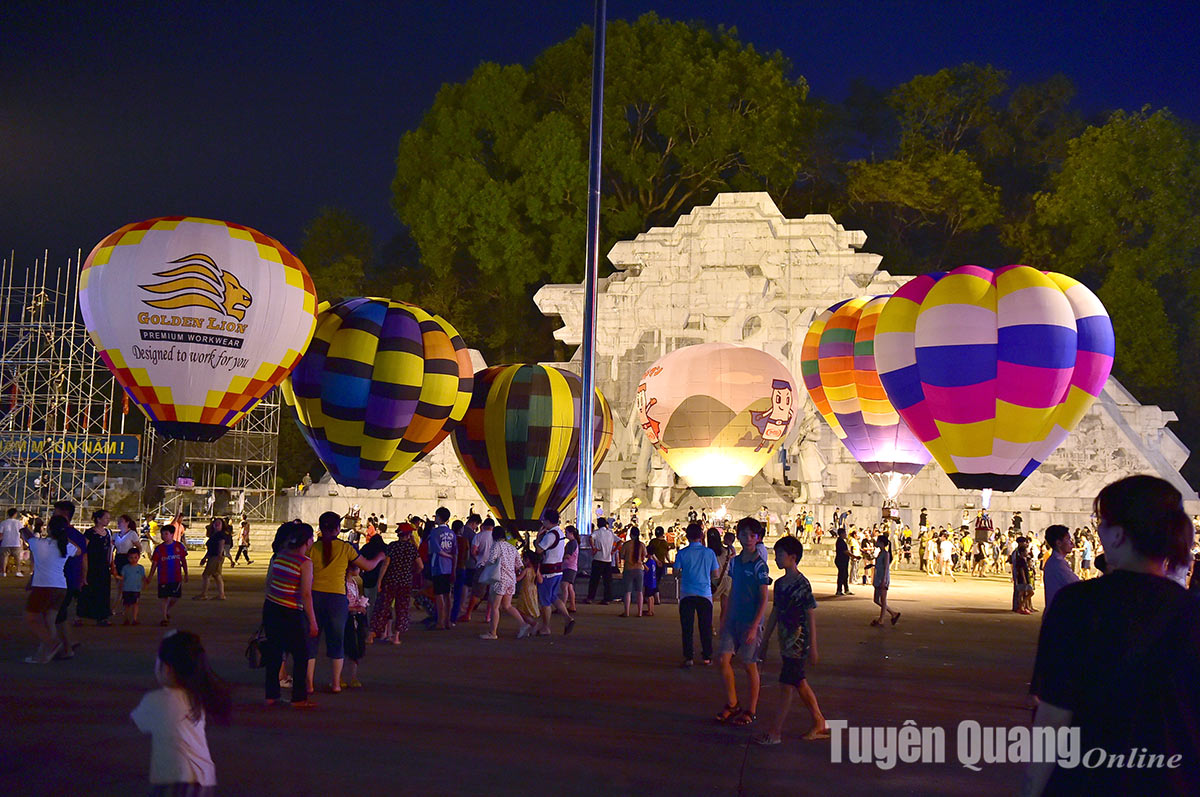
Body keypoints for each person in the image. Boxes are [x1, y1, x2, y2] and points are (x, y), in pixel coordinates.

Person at [1023, 476, 1200, 795]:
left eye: (1101, 522)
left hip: (1088, 777)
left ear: (1118, 534)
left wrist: (1033, 788)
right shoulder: (1191, 611)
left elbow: (1053, 716)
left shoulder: (1077, 604)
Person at [131, 630, 230, 795]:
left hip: (175, 779)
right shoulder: (195, 696)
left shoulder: (156, 700)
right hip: (204, 777)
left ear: (167, 669)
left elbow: (139, 722)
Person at [753, 535, 828, 745]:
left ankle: (776, 732)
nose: (776, 558)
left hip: (798, 642)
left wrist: (813, 646)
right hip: (785, 641)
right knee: (799, 682)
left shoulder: (801, 584)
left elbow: (810, 614)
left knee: (787, 685)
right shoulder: (780, 584)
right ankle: (819, 721)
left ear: (792, 557)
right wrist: (765, 640)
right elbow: (776, 612)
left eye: (780, 555)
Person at [307, 511, 386, 694]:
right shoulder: (345, 548)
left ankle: (308, 684)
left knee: (312, 642)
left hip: (315, 596)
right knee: (337, 642)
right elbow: (368, 565)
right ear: (337, 528)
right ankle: (335, 683)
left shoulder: (313, 548)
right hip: (336, 599)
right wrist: (380, 557)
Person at [715, 517, 771, 728]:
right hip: (733, 619)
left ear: (758, 538)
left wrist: (755, 625)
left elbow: (764, 597)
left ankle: (751, 710)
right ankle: (733, 703)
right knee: (723, 659)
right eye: (744, 534)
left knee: (749, 666)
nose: (747, 539)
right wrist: (724, 618)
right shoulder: (735, 563)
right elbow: (730, 590)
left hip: (750, 622)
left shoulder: (760, 566)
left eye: (752, 535)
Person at [262, 521, 317, 707]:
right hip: (290, 611)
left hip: (271, 607)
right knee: (301, 655)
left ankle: (271, 695)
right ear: (308, 541)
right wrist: (313, 621)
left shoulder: (280, 555)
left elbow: (269, 582)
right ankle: (299, 698)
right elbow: (306, 594)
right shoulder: (305, 563)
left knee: (274, 653)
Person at [21, 515, 82, 663]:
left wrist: (26, 525)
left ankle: (52, 643)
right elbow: (79, 551)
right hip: (61, 587)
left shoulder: (38, 543)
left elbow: (24, 532)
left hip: (43, 586)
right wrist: (65, 537)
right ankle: (45, 654)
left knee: (31, 619)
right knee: (50, 619)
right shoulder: (66, 546)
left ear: (48, 529)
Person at [674, 522, 720, 667]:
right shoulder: (709, 553)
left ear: (687, 536)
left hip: (687, 593)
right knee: (705, 626)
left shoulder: (682, 553)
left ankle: (688, 657)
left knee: (687, 627)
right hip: (704, 594)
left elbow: (675, 572)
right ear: (701, 536)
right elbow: (715, 573)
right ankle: (707, 656)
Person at [371, 522, 421, 645]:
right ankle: (396, 636)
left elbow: (385, 564)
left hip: (390, 580)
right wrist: (412, 572)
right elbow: (421, 565)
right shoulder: (411, 548)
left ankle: (374, 634)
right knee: (402, 609)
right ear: (409, 535)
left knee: (383, 607)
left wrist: (379, 580)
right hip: (405, 582)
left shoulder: (392, 546)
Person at [533, 508, 575, 635]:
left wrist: (538, 537)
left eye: (544, 520)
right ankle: (568, 618)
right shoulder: (560, 533)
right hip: (558, 571)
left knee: (545, 600)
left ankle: (546, 627)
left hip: (548, 572)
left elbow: (539, 550)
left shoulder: (550, 535)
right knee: (553, 597)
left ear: (548, 521)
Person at [480, 525, 527, 639]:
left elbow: (491, 561)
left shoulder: (496, 546)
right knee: (507, 606)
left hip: (499, 579)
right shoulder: (512, 548)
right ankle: (523, 624)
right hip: (511, 580)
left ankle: (493, 632)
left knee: (495, 607)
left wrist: (483, 565)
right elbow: (519, 565)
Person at [52, 501, 86, 652]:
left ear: (63, 515)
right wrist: (83, 578)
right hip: (71, 580)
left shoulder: (59, 535)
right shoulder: (78, 536)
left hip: (59, 581)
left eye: (55, 513)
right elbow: (84, 558)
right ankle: (68, 642)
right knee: (62, 614)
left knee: (53, 615)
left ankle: (61, 646)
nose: (52, 516)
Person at [78, 509, 115, 626]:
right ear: (98, 519)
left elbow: (110, 550)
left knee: (103, 591)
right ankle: (80, 616)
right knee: (88, 590)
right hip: (92, 566)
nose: (108, 520)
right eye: (106, 518)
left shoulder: (108, 533)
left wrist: (112, 564)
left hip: (104, 566)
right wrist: (84, 569)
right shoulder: (90, 533)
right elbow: (84, 551)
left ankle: (102, 616)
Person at [146, 525, 189, 626]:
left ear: (172, 534)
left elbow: (183, 560)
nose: (164, 536)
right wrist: (150, 576)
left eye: (166, 534)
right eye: (162, 534)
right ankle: (164, 617)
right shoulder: (159, 549)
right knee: (164, 597)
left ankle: (167, 610)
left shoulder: (179, 546)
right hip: (163, 577)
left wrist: (186, 573)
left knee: (175, 597)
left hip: (176, 576)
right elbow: (154, 564)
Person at [427, 507, 457, 630]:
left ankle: (440, 621)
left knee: (439, 594)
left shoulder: (434, 532)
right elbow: (456, 552)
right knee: (448, 594)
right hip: (449, 567)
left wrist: (447, 555)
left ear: (439, 517)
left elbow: (436, 550)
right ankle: (448, 620)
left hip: (438, 566)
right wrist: (453, 566)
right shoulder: (452, 533)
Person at [462, 517, 496, 622]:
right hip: (494, 567)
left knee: (477, 592)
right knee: (491, 593)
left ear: (484, 526)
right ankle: (488, 616)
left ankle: (468, 614)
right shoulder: (496, 537)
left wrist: (478, 558)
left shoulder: (478, 536)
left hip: (481, 566)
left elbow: (473, 551)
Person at [343, 564, 369, 689]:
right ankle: (342, 677)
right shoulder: (343, 584)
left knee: (355, 647)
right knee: (345, 647)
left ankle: (352, 676)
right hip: (347, 617)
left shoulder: (354, 582)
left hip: (355, 616)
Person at [1041, 525, 1079, 610]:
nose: (1072, 544)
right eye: (1068, 540)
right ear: (1058, 543)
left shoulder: (1055, 561)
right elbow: (1077, 585)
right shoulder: (1058, 563)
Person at [451, 514, 480, 622]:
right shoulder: (471, 535)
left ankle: (456, 609)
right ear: (474, 523)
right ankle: (461, 607)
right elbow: (471, 552)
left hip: (453, 564)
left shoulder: (453, 537)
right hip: (468, 564)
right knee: (465, 586)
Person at [871, 533, 901, 627]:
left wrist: (884, 580)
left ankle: (881, 620)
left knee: (883, 600)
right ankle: (893, 613)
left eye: (878, 541)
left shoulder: (886, 554)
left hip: (883, 578)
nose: (876, 542)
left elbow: (886, 568)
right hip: (878, 577)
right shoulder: (880, 553)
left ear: (881, 543)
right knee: (876, 599)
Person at [585, 516, 616, 604]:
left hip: (598, 558)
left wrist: (593, 547)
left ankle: (590, 598)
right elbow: (620, 541)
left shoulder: (597, 532)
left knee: (594, 580)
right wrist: (613, 550)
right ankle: (607, 599)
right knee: (607, 581)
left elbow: (591, 537)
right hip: (608, 559)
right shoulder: (610, 533)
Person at [195, 519, 227, 601]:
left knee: (206, 575)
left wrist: (219, 555)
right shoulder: (214, 534)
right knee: (217, 575)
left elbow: (221, 544)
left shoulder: (220, 535)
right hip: (213, 556)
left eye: (219, 523)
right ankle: (221, 594)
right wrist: (205, 558)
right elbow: (210, 549)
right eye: (215, 523)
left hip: (216, 556)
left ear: (222, 525)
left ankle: (204, 594)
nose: (217, 525)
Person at [513, 550, 543, 637]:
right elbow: (541, 581)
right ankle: (528, 628)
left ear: (528, 560)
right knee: (528, 610)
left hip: (526, 593)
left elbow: (518, 579)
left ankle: (532, 624)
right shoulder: (535, 570)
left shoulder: (527, 570)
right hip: (533, 592)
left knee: (521, 610)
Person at [619, 526, 647, 618]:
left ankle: (626, 612)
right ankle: (639, 612)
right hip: (639, 569)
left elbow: (622, 555)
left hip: (628, 569)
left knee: (627, 591)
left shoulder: (626, 544)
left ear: (631, 534)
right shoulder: (642, 545)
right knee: (639, 591)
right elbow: (645, 556)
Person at [708, 528, 733, 628]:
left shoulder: (708, 552)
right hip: (727, 579)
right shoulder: (727, 550)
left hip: (715, 580)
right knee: (725, 607)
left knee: (709, 605)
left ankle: (710, 626)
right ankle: (723, 627)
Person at [118, 549, 147, 625]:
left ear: (138, 557)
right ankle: (126, 618)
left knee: (135, 604)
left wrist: (145, 584)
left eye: (135, 557)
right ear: (128, 558)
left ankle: (134, 618)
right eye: (131, 557)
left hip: (136, 589)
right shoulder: (125, 568)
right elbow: (122, 578)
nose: (133, 559)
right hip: (126, 589)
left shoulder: (140, 568)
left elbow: (143, 577)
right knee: (127, 605)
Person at [1011, 537, 1035, 615]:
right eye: (1024, 542)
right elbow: (1016, 566)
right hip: (1019, 576)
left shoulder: (1023, 556)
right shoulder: (1016, 553)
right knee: (1019, 592)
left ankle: (1024, 606)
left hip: (1022, 575)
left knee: (1023, 592)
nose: (1026, 544)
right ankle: (1018, 606)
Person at [1, 507, 26, 576]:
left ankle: (3, 572)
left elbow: (0, 533)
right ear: (15, 514)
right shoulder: (18, 523)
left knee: (4, 558)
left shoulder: (3, 523)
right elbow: (22, 533)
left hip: (5, 542)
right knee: (17, 559)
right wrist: (24, 541)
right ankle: (18, 571)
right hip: (16, 542)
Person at [643, 543, 660, 617]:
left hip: (649, 581)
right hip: (653, 581)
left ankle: (649, 610)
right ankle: (651, 609)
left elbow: (647, 569)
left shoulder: (649, 562)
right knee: (652, 597)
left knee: (648, 597)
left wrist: (643, 564)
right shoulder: (653, 562)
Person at [834, 529, 851, 596]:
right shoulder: (840, 542)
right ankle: (839, 590)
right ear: (841, 534)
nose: (845, 534)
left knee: (845, 574)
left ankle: (846, 589)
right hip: (841, 560)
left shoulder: (842, 541)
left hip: (843, 560)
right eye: (844, 533)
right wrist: (854, 556)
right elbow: (845, 551)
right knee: (841, 574)